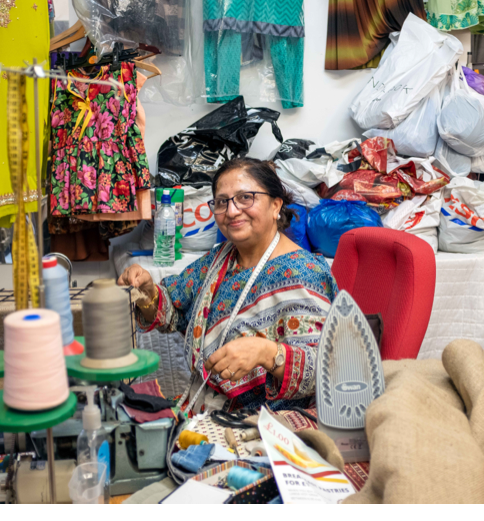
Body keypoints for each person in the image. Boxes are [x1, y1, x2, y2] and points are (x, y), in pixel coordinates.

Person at [118, 158, 338, 413]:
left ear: (276, 205)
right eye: (222, 202)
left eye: (245, 197)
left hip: (263, 428)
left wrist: (266, 353)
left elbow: (325, 371)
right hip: (203, 411)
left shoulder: (303, 273)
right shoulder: (221, 258)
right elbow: (174, 310)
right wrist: (146, 291)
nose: (232, 211)